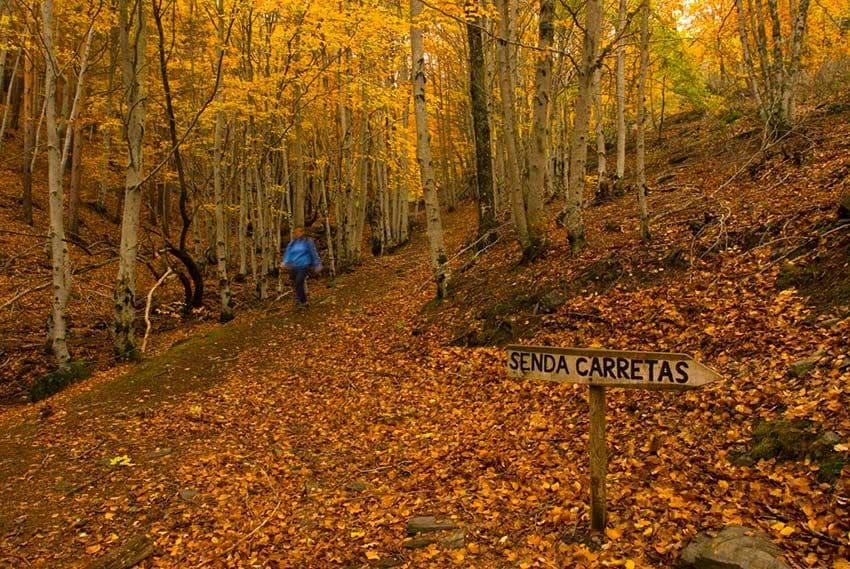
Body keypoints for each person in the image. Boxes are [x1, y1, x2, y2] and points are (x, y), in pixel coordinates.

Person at [281, 226, 322, 307]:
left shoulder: (307, 242)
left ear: (302, 232)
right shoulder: (292, 243)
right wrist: (285, 262)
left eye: (298, 232)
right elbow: (288, 253)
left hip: (304, 266)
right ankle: (298, 299)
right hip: (294, 266)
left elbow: (313, 252)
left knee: (299, 282)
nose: (296, 234)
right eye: (295, 232)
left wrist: (317, 264)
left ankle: (304, 301)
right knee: (295, 284)